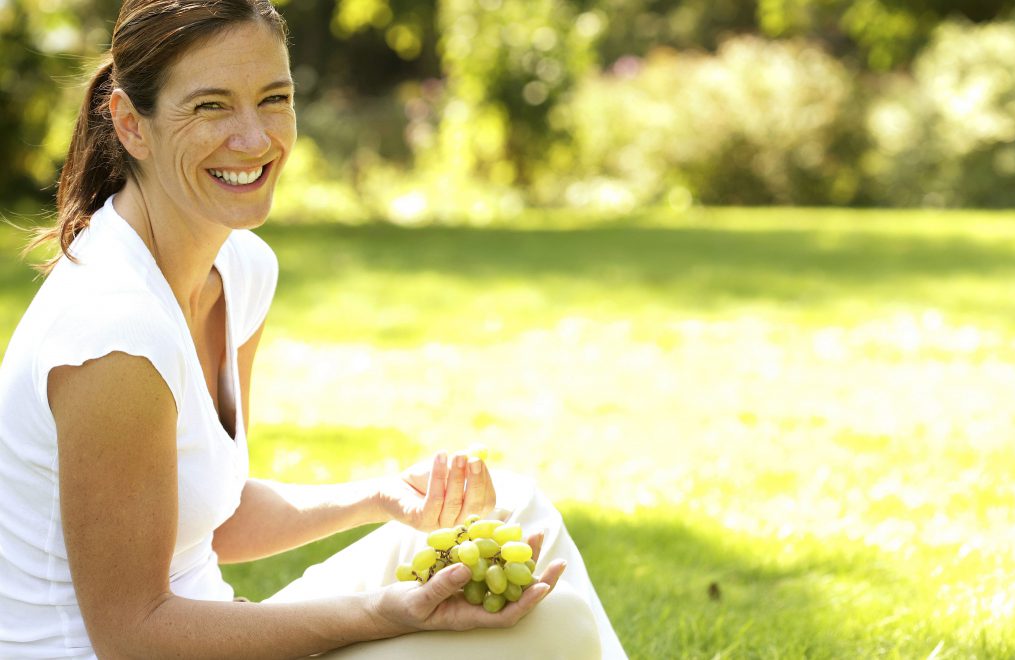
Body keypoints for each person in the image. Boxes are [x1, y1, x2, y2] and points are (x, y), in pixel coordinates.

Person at [0, 0, 625, 657]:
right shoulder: (113, 332)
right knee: (554, 626)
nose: (254, 138)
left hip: (206, 629)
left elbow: (219, 514)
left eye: (274, 97)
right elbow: (133, 635)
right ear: (131, 124)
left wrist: (382, 498)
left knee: (517, 514)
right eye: (211, 106)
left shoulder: (239, 269)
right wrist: (386, 614)